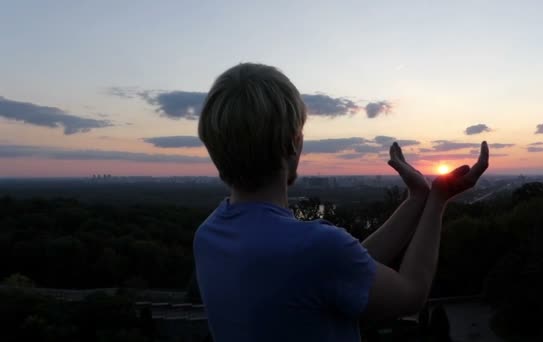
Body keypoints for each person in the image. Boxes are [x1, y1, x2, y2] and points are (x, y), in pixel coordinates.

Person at [193, 63, 489, 342]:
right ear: (294, 143)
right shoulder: (313, 249)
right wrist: (437, 201)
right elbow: (410, 294)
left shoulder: (209, 236)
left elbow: (347, 269)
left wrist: (417, 199)